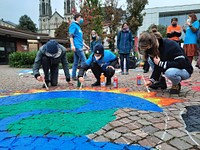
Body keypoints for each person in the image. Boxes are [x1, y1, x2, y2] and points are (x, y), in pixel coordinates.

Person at [69, 13, 89, 81]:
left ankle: (74, 76)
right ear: (77, 18)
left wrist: (85, 45)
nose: (81, 19)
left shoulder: (78, 27)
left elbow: (79, 38)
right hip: (77, 46)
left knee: (76, 62)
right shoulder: (73, 25)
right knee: (85, 61)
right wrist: (72, 45)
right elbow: (71, 35)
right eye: (80, 17)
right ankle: (83, 75)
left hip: (79, 45)